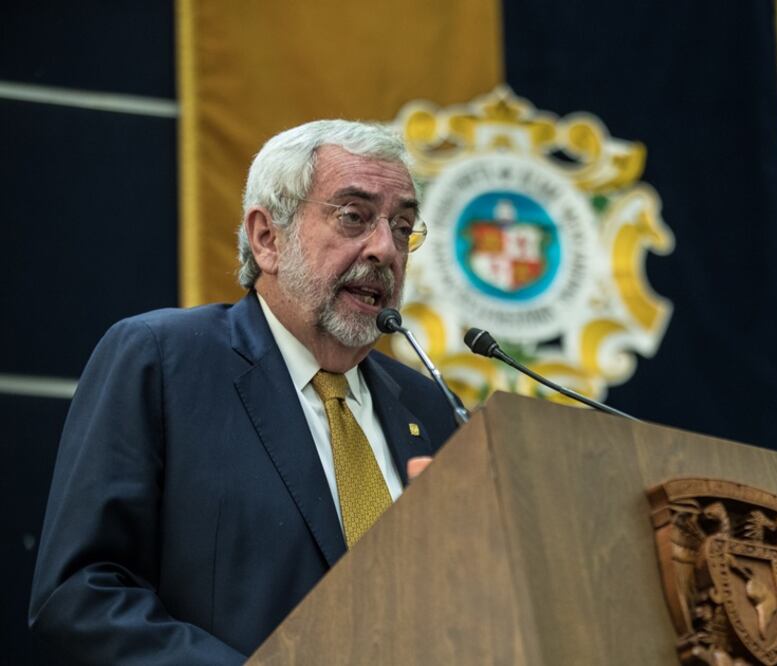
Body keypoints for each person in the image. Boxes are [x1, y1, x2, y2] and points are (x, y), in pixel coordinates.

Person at [28, 120, 459, 664]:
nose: (385, 250)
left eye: (402, 226)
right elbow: (79, 594)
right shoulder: (162, 361)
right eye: (354, 217)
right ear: (267, 237)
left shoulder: (429, 409)